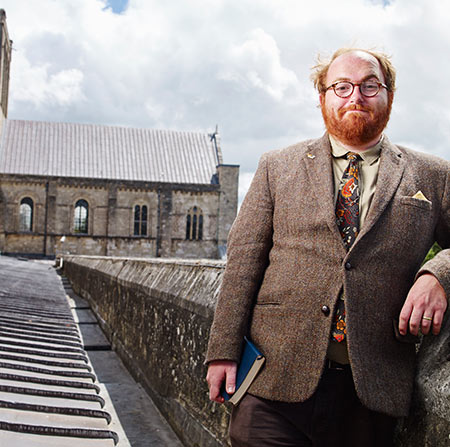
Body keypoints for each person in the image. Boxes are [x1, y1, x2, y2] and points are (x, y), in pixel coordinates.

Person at [205, 47, 450, 447]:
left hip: (370, 393)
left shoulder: (433, 175)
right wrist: (222, 352)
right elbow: (243, 264)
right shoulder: (276, 166)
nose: (356, 96)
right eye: (342, 86)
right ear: (323, 97)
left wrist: (437, 275)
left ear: (390, 96)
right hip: (273, 379)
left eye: (371, 86)